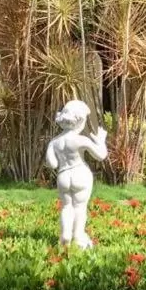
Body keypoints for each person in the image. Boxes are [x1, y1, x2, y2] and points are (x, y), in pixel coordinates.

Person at [45, 100, 108, 248]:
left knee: (66, 206)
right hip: (80, 174)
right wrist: (101, 141)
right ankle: (78, 237)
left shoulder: (54, 142)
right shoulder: (81, 140)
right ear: (80, 120)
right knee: (79, 207)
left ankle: (65, 235)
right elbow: (101, 155)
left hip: (63, 176)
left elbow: (52, 164)